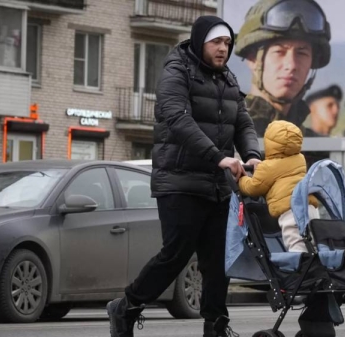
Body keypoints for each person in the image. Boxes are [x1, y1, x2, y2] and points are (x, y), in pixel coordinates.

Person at [106, 15, 261, 337]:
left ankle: (216, 326)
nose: (223, 49)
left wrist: (251, 155)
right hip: (179, 181)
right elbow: (177, 118)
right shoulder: (176, 71)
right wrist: (218, 157)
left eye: (228, 44)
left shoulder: (227, 79)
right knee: (175, 255)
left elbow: (242, 123)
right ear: (199, 41)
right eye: (216, 42)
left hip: (217, 185)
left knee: (218, 262)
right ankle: (127, 307)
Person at [234, 0, 332, 138]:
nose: (291, 65)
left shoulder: (315, 148)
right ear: (252, 59)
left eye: (302, 53)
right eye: (279, 52)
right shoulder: (221, 135)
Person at [237, 120, 319, 252]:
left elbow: (254, 187)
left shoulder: (268, 167)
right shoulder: (299, 159)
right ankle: (313, 266)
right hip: (309, 206)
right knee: (311, 242)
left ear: (270, 143)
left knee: (296, 244)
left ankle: (300, 269)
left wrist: (241, 179)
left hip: (290, 211)